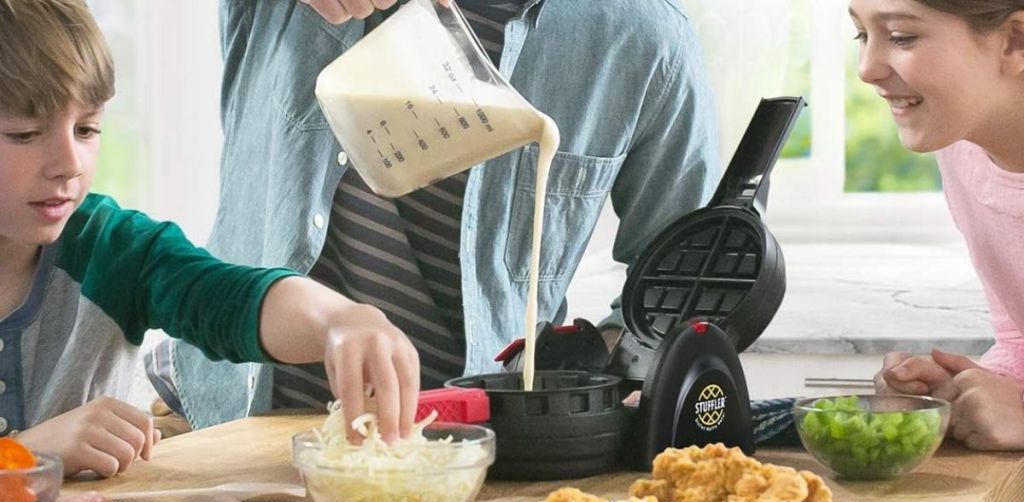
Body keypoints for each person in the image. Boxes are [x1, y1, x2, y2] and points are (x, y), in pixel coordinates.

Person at [150, 0, 721, 437]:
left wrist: (596, 377)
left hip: (469, 450)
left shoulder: (644, 38)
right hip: (228, 418)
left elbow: (693, 280)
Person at [0, 0, 416, 477]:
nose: (69, 163)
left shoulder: (110, 248)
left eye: (87, 128)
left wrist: (339, 320)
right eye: (25, 134)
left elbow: (225, 296)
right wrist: (24, 458)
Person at [851, 0, 1024, 450]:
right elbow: (1018, 337)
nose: (866, 70)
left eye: (901, 37)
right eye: (861, 35)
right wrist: (961, 389)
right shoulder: (964, 148)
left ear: (1015, 41)